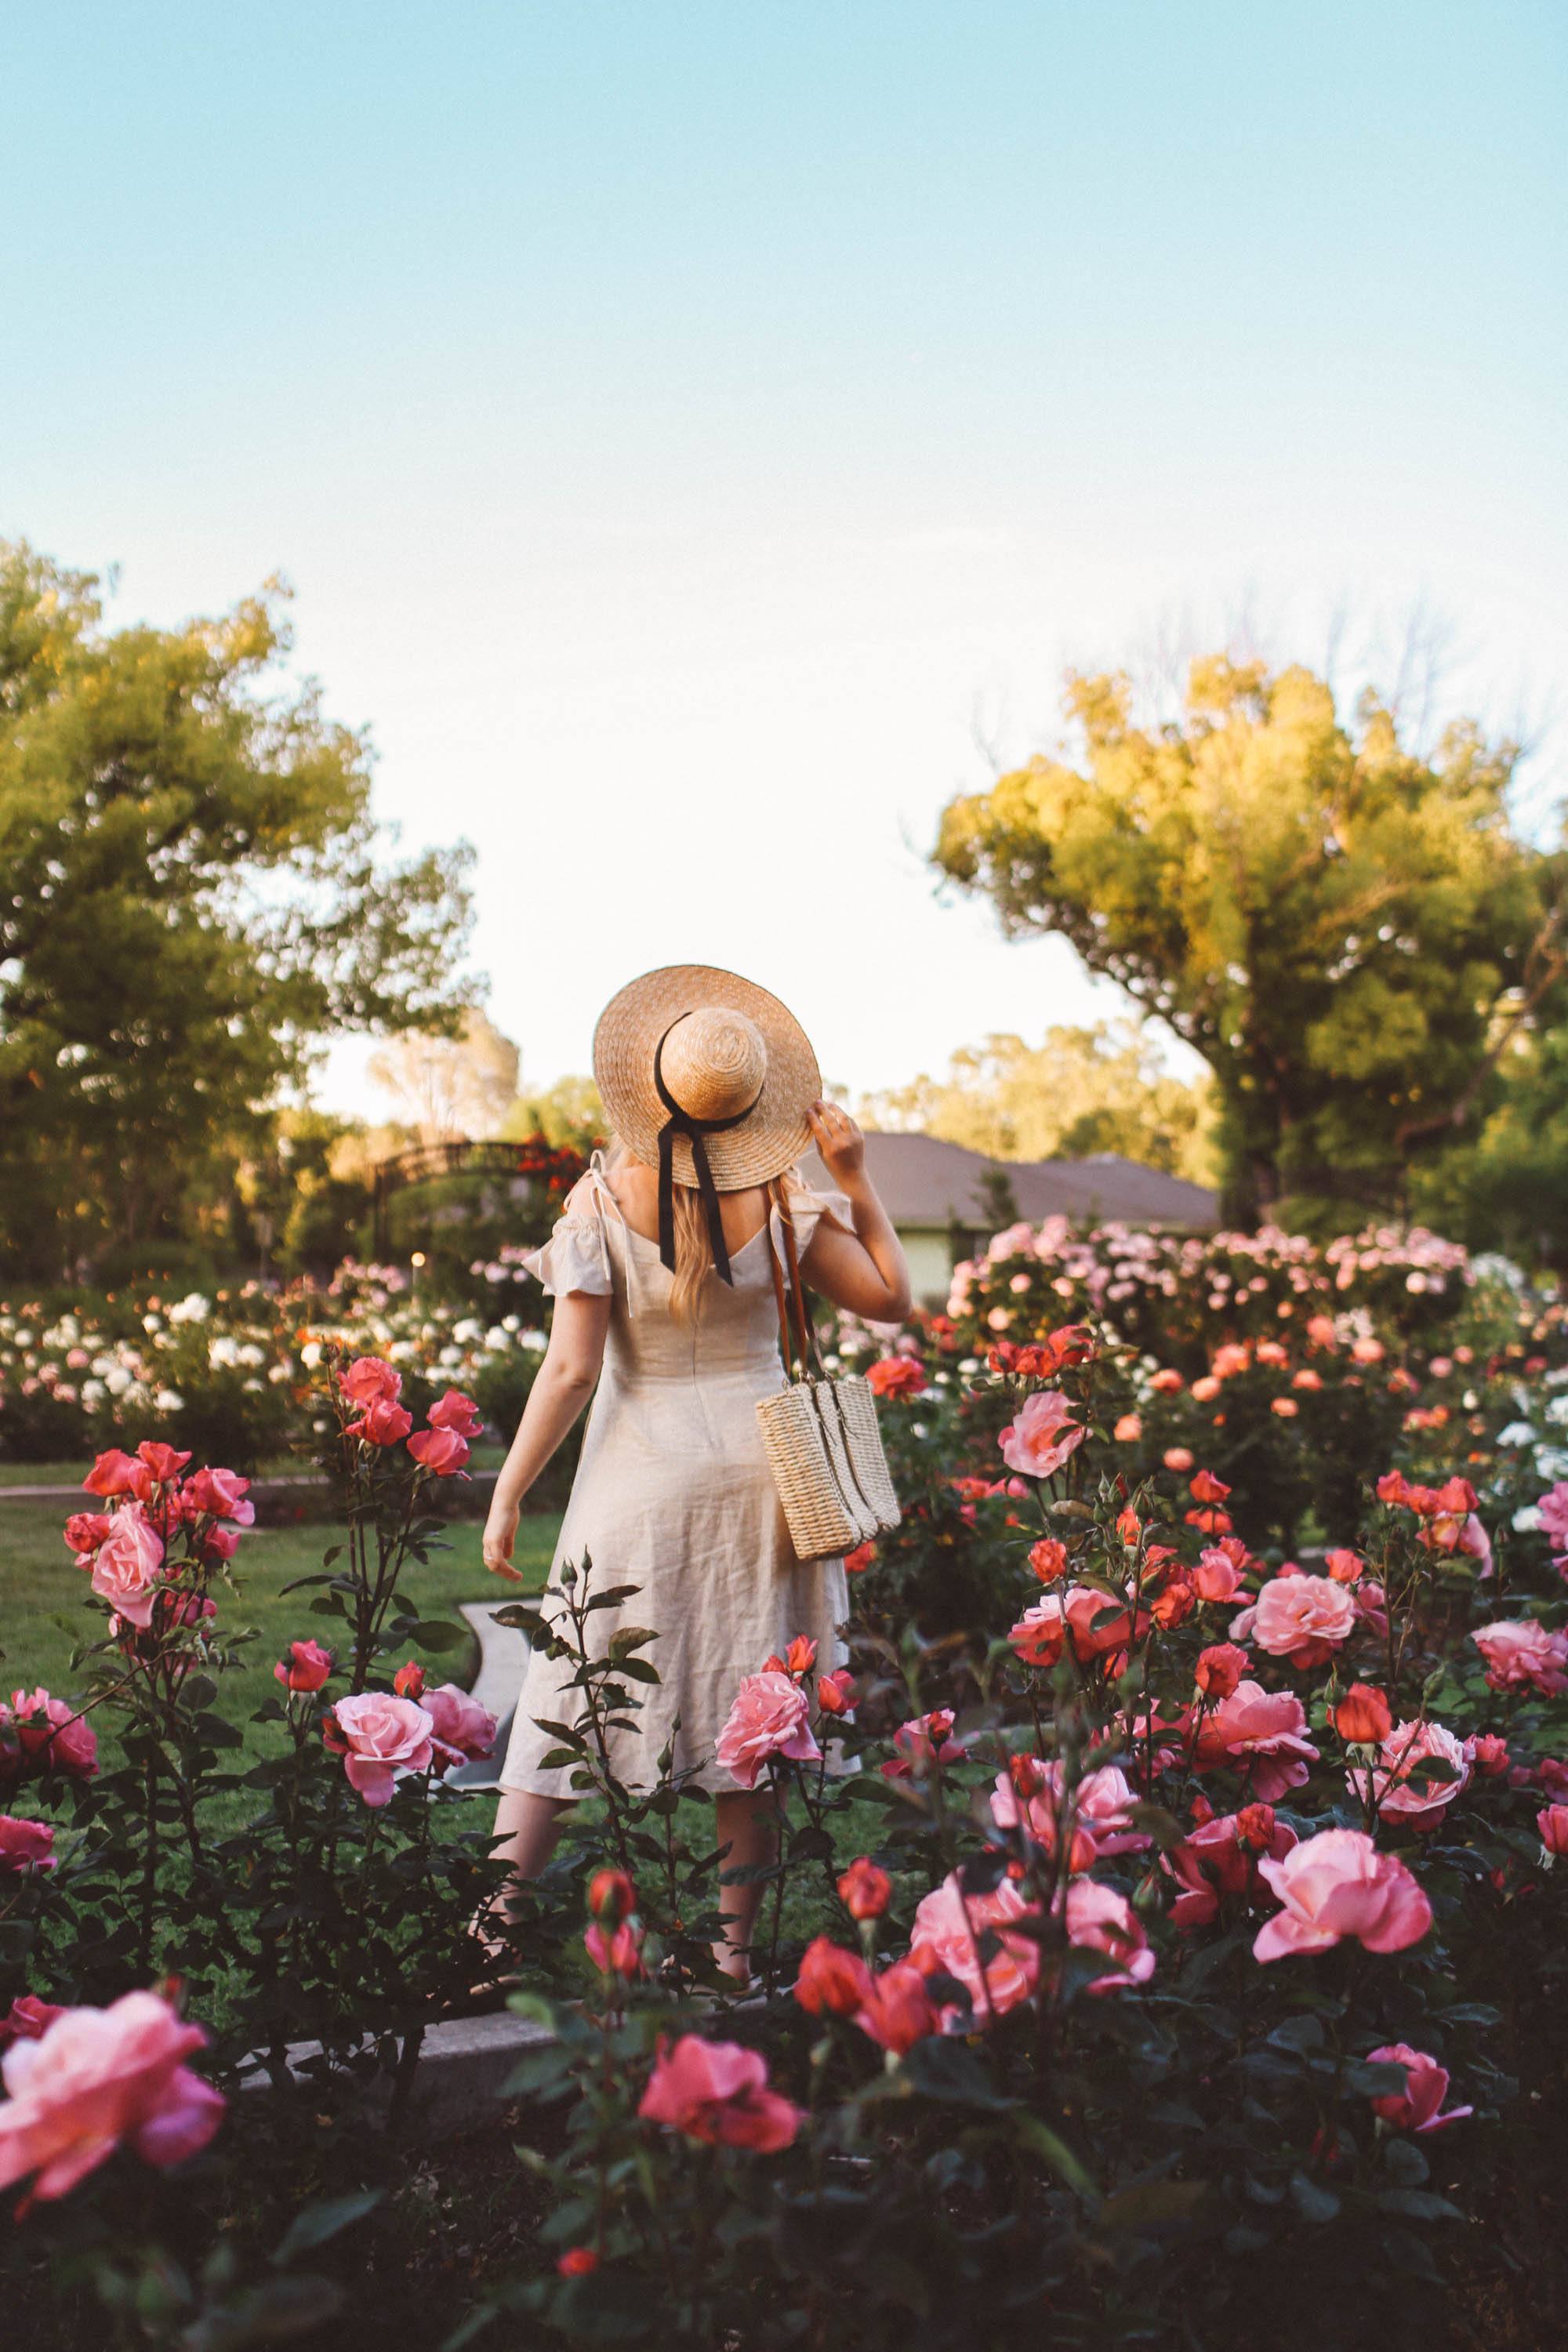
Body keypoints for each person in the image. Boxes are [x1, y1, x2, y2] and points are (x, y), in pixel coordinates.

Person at [481, 964, 911, 1978]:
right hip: (765, 1482)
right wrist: (854, 1176)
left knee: (567, 1692)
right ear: (751, 1108)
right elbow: (892, 1299)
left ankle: (492, 1932)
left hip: (638, 1476)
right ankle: (729, 1956)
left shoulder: (600, 1201)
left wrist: (508, 1493)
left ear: (649, 1088)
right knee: (751, 1709)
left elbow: (572, 1370)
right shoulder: (787, 1202)